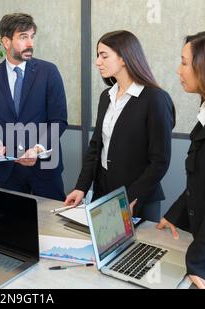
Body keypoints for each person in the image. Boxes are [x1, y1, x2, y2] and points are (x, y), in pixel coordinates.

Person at [65, 30, 175, 222]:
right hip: (103, 194)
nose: (98, 62)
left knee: (134, 252)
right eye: (97, 55)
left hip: (137, 199)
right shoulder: (106, 96)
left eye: (104, 55)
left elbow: (160, 161)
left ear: (124, 58)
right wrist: (81, 187)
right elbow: (95, 147)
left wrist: (130, 197)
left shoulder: (155, 99)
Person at [157, 31, 205, 289]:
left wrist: (196, 262)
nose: (178, 70)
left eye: (184, 63)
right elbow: (202, 181)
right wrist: (176, 214)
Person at [0, 13, 68, 201]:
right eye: (23, 37)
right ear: (6, 41)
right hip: (8, 172)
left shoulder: (49, 72)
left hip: (45, 168)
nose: (30, 43)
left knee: (53, 227)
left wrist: (37, 149)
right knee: (13, 227)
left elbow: (58, 120)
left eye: (31, 36)